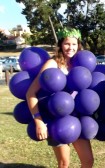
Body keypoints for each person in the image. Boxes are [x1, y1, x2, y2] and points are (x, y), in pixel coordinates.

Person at [26, 28, 94, 168]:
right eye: (67, 44)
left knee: (88, 161)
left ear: (78, 45)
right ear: (61, 45)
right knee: (64, 164)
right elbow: (30, 93)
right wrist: (39, 122)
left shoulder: (79, 64)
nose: (71, 48)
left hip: (76, 118)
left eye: (74, 44)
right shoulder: (52, 64)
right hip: (56, 120)